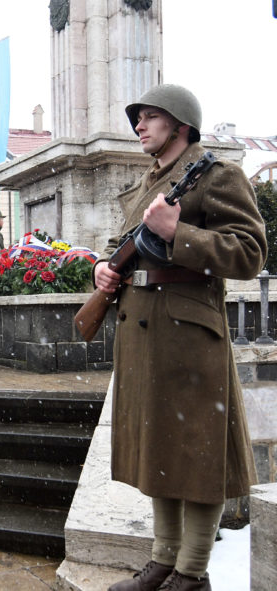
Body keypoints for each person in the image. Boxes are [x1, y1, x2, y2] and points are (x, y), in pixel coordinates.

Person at [95, 85, 267, 591]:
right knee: (160, 449)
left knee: (197, 451)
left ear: (181, 124)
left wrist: (179, 233)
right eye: (138, 119)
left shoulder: (217, 175)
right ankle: (162, 562)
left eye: (151, 118)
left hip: (189, 334)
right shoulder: (145, 182)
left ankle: (191, 573)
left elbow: (249, 252)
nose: (140, 127)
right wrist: (104, 269)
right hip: (143, 333)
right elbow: (118, 244)